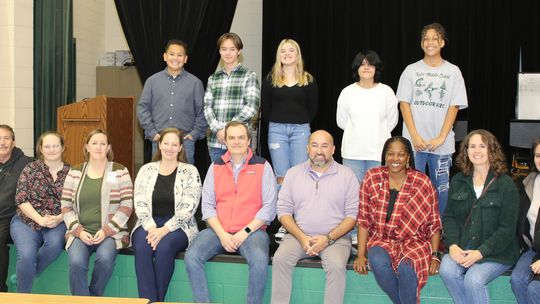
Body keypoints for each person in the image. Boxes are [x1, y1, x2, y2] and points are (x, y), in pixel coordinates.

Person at [184, 121, 277, 304]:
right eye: (231, 138)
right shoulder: (215, 167)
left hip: (252, 232)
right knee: (192, 256)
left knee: (259, 260)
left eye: (241, 137)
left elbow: (269, 208)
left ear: (249, 140)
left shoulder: (262, 166)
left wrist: (244, 232)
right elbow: (208, 207)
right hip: (218, 231)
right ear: (225, 142)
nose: (236, 142)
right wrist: (223, 235)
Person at [271, 130, 359, 304]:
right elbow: (283, 211)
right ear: (307, 148)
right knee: (280, 260)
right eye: (314, 145)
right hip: (298, 237)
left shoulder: (347, 175)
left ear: (333, 149)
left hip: (336, 238)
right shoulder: (293, 174)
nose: (319, 150)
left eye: (324, 146)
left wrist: (327, 238)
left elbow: (352, 216)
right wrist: (302, 237)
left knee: (336, 266)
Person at [354, 136, 441, 303]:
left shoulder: (422, 182)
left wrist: (435, 255)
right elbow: (363, 219)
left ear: (408, 157)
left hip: (414, 241)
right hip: (381, 239)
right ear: (385, 156)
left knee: (407, 268)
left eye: (400, 155)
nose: (395, 159)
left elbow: (434, 222)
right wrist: (360, 254)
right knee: (378, 262)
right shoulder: (372, 177)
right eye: (390, 154)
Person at [439, 129, 520, 304]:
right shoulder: (458, 181)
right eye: (472, 146)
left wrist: (481, 252)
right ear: (466, 151)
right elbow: (449, 217)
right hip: (463, 245)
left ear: (491, 150)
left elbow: (507, 229)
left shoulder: (506, 184)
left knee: (473, 280)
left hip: (498, 252)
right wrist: (452, 245)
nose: (477, 151)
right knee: (446, 269)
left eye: (482, 146)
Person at [396, 22, 468, 214]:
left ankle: (440, 231)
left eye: (435, 38)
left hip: (441, 144)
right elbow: (404, 104)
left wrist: (441, 138)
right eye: (425, 39)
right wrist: (414, 136)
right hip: (414, 143)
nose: (430, 42)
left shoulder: (453, 72)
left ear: (442, 43)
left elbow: (454, 107)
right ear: (421, 44)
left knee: (441, 189)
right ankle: (413, 229)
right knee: (411, 188)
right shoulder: (411, 70)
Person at [132, 128, 202, 302]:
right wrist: (151, 227)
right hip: (149, 223)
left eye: (174, 144)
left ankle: (158, 300)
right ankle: (148, 300)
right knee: (141, 245)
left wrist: (164, 230)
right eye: (166, 143)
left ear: (180, 148)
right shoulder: (146, 170)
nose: (170, 148)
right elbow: (139, 202)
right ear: (159, 145)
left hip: (180, 226)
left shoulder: (190, 171)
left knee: (164, 247)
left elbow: (189, 207)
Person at [61, 129, 133, 296]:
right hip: (80, 232)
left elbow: (127, 205)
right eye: (94, 143)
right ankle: (82, 301)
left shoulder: (119, 170)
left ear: (108, 147)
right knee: (76, 262)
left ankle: (93, 298)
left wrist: (106, 230)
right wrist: (78, 231)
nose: (99, 147)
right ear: (87, 147)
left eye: (103, 143)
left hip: (110, 233)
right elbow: (65, 206)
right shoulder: (75, 172)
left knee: (105, 259)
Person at [10, 132, 69, 293]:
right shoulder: (30, 169)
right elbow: (21, 199)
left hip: (58, 221)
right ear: (40, 149)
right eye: (47, 146)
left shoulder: (72, 173)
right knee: (27, 255)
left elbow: (75, 203)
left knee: (55, 244)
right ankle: (23, 298)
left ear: (62, 148)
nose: (51, 150)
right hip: (26, 220)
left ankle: (27, 274)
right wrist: (40, 219)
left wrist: (58, 218)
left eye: (55, 146)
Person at [137, 39, 207, 164]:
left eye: (180, 55)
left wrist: (194, 135)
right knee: (159, 179)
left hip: (185, 142)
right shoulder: (152, 81)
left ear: (185, 58)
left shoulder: (195, 83)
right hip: (159, 140)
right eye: (172, 54)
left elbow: (202, 112)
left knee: (186, 181)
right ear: (165, 56)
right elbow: (143, 108)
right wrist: (153, 133)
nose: (175, 58)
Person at [261, 38, 318, 186]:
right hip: (276, 132)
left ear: (297, 54)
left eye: (291, 50)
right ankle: (283, 209)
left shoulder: (308, 80)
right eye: (283, 51)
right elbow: (265, 108)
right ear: (278, 55)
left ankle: (299, 209)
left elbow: (313, 108)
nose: (287, 54)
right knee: (281, 176)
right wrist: (278, 121)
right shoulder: (270, 79)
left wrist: (299, 120)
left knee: (300, 175)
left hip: (301, 131)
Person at [336, 50, 398, 182]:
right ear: (356, 67)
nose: (366, 68)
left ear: (376, 68)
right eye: (362, 64)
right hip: (352, 154)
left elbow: (392, 122)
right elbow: (341, 121)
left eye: (370, 64)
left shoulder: (386, 92)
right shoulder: (347, 92)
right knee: (353, 194)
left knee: (378, 194)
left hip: (378, 153)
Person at [203, 33, 260, 162]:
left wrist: (228, 129)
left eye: (232, 49)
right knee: (219, 180)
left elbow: (251, 107)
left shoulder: (249, 76)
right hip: (216, 140)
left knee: (241, 180)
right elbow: (207, 107)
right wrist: (218, 129)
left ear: (239, 51)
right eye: (224, 49)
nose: (228, 53)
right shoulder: (213, 78)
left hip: (239, 141)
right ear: (219, 51)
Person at [0, 124, 31, 291]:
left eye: (6, 138)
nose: (2, 142)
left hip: (12, 217)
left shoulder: (26, 164)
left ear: (13, 142)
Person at [511, 138, 540, 303]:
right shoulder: (529, 183)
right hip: (533, 249)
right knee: (517, 280)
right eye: (537, 155)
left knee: (535, 289)